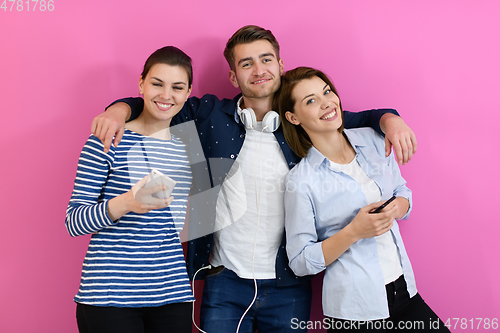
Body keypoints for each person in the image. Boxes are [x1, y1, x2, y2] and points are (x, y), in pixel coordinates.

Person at [90, 26, 417, 332]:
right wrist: (118, 110)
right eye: (246, 64)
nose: (259, 70)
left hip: (288, 283)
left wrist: (392, 121)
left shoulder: (303, 118)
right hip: (223, 280)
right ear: (233, 75)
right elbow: (161, 102)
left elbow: (362, 117)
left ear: (280, 64)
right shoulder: (209, 115)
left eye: (266, 59)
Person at [278, 67, 449, 332]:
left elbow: (403, 192)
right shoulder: (300, 181)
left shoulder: (375, 140)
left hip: (404, 291)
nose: (326, 103)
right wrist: (354, 231)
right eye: (310, 101)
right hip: (354, 310)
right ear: (293, 117)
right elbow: (300, 262)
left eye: (326, 92)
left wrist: (396, 209)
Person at [66, 46, 195, 333]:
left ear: (188, 93)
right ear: (141, 84)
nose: (166, 95)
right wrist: (126, 202)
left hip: (172, 295)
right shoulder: (108, 140)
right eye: (156, 84)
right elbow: (73, 221)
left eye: (177, 87)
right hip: (110, 298)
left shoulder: (187, 148)